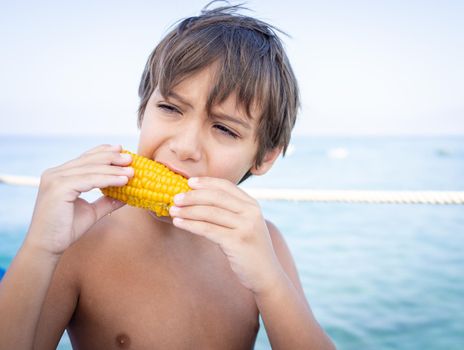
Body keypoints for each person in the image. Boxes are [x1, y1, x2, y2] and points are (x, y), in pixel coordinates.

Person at [0, 3, 335, 349]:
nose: (185, 146)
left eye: (224, 128)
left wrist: (270, 281)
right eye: (170, 108)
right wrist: (40, 248)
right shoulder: (81, 242)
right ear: (143, 110)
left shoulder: (267, 245)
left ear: (264, 157)